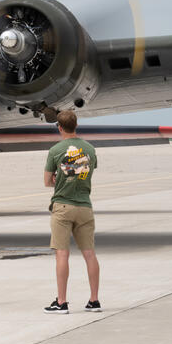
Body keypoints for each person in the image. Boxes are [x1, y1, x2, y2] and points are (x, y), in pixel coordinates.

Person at [43, 109, 100, 314]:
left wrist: (60, 177)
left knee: (62, 254)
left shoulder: (55, 150)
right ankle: (94, 300)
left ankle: (62, 301)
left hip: (63, 206)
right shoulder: (90, 149)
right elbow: (87, 171)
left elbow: (47, 182)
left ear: (60, 127)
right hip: (85, 205)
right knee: (90, 254)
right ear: (76, 125)